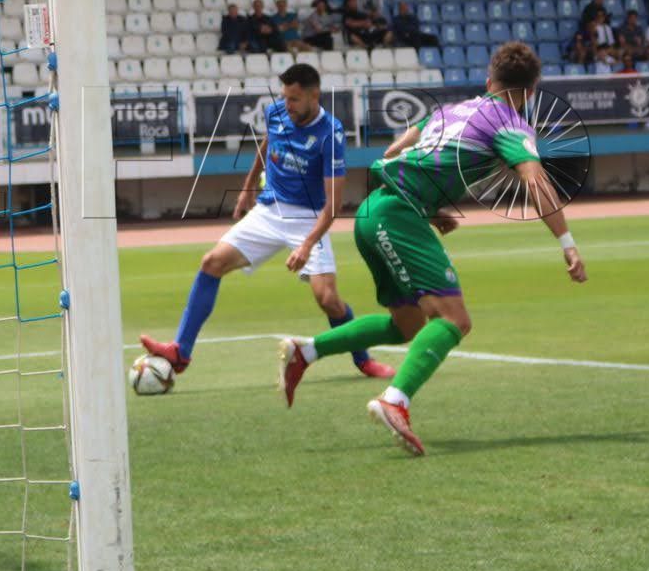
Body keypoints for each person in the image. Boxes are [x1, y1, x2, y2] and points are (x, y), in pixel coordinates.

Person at [275, 42, 586, 455]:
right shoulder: (511, 125)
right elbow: (536, 182)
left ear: (489, 80)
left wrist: (430, 204)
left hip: (373, 209)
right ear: (530, 93)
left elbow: (393, 152)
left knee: (407, 325)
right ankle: (394, 400)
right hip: (399, 215)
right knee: (454, 320)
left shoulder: (452, 111)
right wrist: (567, 243)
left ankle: (306, 350)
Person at [139, 63, 392, 386]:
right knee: (211, 262)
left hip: (308, 218)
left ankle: (364, 360)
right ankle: (181, 352)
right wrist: (247, 187)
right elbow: (267, 143)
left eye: (295, 99)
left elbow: (334, 206)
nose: (288, 105)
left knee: (327, 299)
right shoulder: (277, 113)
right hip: (269, 210)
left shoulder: (331, 133)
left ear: (314, 95)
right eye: (285, 98)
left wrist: (306, 245)